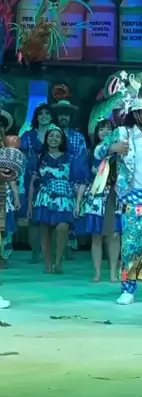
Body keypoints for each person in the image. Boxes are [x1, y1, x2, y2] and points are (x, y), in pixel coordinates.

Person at [94, 86, 142, 306]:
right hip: (131, 196)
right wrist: (112, 148)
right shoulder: (122, 133)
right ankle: (128, 288)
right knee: (130, 246)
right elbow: (98, 152)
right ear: (136, 113)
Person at [28, 125, 86, 274]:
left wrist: (79, 202)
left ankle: (59, 260)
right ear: (46, 138)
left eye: (57, 136)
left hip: (64, 198)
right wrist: (29, 205)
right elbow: (33, 183)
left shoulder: (70, 158)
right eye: (51, 136)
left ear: (62, 140)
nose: (54, 139)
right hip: (44, 198)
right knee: (45, 232)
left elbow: (76, 181)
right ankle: (48, 264)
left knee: (63, 228)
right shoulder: (40, 157)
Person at [76, 119, 121, 283]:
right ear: (96, 133)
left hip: (115, 196)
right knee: (96, 237)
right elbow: (84, 180)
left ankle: (113, 273)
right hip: (95, 198)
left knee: (115, 235)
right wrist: (78, 202)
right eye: (102, 129)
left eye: (108, 129)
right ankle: (97, 273)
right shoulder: (91, 153)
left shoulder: (121, 153)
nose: (105, 132)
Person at [50, 99, 88, 256]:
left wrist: (78, 181)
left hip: (72, 180)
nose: (63, 117)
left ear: (70, 117)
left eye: (66, 115)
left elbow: (82, 159)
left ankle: (68, 249)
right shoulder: (51, 135)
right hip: (52, 181)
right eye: (61, 114)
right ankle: (53, 250)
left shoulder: (78, 137)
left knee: (71, 214)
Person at [20, 102, 52, 263]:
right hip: (31, 179)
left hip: (52, 179)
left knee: (51, 216)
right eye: (41, 114)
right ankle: (35, 253)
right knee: (32, 217)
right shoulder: (27, 136)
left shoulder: (56, 134)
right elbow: (21, 157)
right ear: (36, 117)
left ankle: (51, 253)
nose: (44, 116)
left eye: (47, 113)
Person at [0, 110, 21, 269]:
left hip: (3, 194)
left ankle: (3, 256)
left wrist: (16, 196)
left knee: (6, 227)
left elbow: (11, 176)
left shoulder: (8, 152)